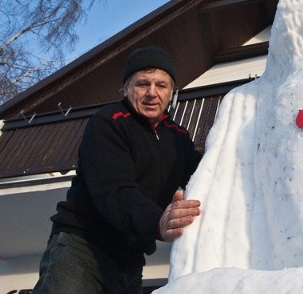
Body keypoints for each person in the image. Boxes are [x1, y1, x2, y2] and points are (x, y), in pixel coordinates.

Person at [34, 45, 202, 293]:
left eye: (161, 85)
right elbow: (113, 190)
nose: (152, 93)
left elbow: (205, 174)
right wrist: (157, 220)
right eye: (143, 84)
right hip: (84, 246)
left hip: (131, 258)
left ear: (171, 93)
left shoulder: (179, 137)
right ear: (125, 88)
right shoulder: (108, 122)